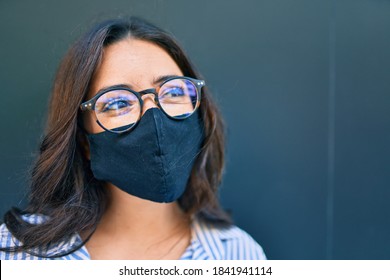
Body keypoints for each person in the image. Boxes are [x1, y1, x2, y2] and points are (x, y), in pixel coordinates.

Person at [0, 17, 266, 260]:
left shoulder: (238, 255)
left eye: (173, 91)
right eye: (117, 103)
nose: (154, 115)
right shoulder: (16, 252)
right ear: (83, 139)